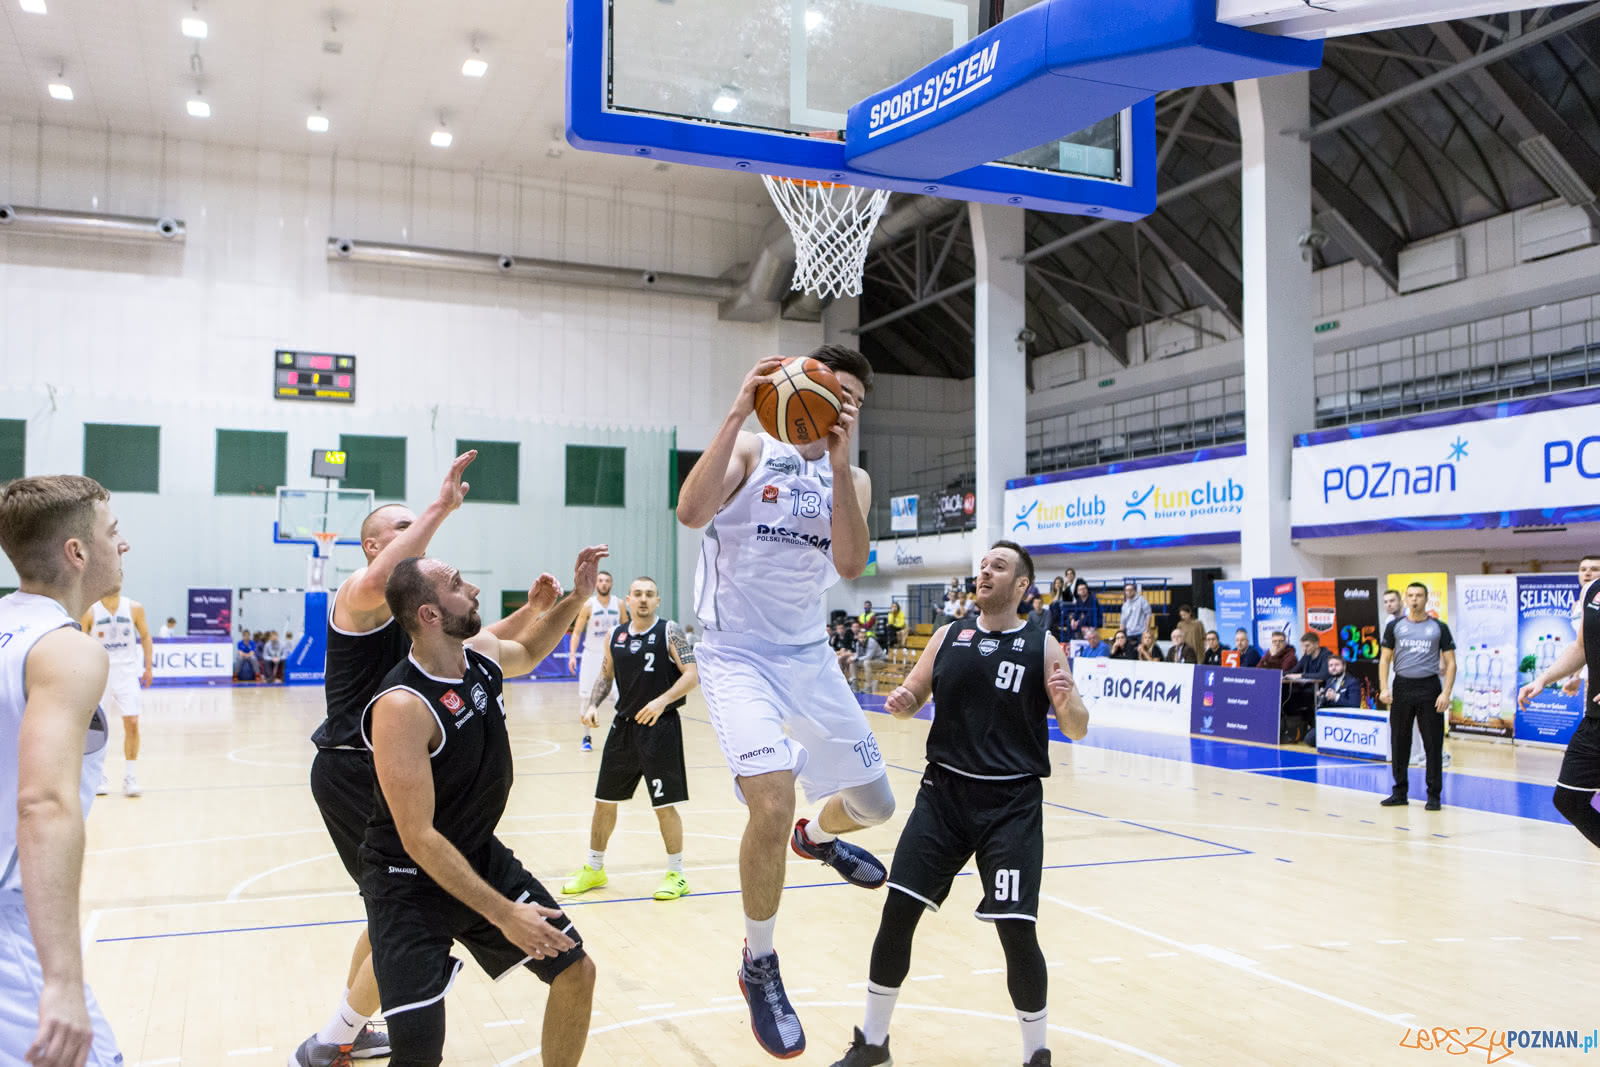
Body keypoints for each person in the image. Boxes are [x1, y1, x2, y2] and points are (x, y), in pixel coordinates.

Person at [677, 346, 895, 1059]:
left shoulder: (853, 478)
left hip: (808, 657)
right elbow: (690, 511)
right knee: (770, 798)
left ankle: (819, 837)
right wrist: (740, 406)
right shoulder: (749, 445)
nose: (843, 403)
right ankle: (760, 962)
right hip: (736, 655)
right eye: (835, 389)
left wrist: (837, 467)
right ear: (804, 387)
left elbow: (851, 564)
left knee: (877, 804)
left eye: (854, 398)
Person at [832, 541, 1089, 1067]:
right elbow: (911, 696)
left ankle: (1036, 1054)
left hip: (1011, 805)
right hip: (943, 796)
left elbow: (1076, 727)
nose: (985, 572)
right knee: (897, 912)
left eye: (998, 566)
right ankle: (873, 1044)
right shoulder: (950, 635)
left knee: (1016, 931)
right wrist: (903, 702)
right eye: (983, 565)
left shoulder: (1044, 645)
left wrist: (1068, 703)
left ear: (1021, 586)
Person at [363, 555, 600, 1067]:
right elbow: (418, 837)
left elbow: (532, 649)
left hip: (474, 854)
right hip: (408, 882)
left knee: (575, 971)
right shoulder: (402, 706)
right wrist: (505, 914)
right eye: (455, 584)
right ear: (428, 614)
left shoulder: (479, 655)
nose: (471, 588)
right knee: (419, 1055)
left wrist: (576, 598)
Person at [293, 449, 482, 1066]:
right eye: (401, 530)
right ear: (373, 546)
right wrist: (441, 506)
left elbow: (492, 645)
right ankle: (336, 1037)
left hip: (377, 769)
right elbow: (378, 581)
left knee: (387, 910)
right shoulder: (359, 593)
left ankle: (340, 1034)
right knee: (411, 903)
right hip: (351, 765)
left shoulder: (413, 614)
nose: (415, 536)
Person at [0, 476, 129, 1067]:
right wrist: (61, 979)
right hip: (11, 917)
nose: (122, 546)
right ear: (77, 552)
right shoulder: (66, 649)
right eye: (112, 532)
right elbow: (43, 804)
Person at [564, 577, 699, 902]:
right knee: (604, 801)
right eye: (637, 594)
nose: (642, 599)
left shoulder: (670, 632)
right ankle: (595, 868)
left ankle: (676, 874)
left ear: (657, 600)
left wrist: (662, 701)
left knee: (664, 805)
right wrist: (593, 705)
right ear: (628, 600)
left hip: (659, 727)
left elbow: (693, 674)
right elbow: (606, 675)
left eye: (649, 595)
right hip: (623, 727)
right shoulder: (616, 634)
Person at [1520, 562, 1600, 849]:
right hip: (1595, 721)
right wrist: (1544, 678)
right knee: (1568, 800)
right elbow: (1581, 647)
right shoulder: (1593, 590)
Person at [1378, 582, 1457, 811]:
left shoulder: (1438, 628)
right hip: (1402, 686)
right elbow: (1384, 659)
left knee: (1433, 743)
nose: (1415, 599)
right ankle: (1399, 792)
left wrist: (1446, 692)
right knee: (1400, 742)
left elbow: (1451, 663)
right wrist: (1384, 688)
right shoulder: (1395, 627)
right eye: (1411, 595)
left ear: (1426, 599)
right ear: (1406, 599)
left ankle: (1434, 796)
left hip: (1429, 687)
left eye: (1419, 595)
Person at [78, 585, 152, 797]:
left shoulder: (134, 607)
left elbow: (146, 635)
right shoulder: (90, 610)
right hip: (100, 673)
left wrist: (148, 667)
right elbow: (80, 642)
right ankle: (99, 776)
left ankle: (130, 777)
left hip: (127, 673)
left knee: (133, 722)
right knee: (98, 728)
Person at [567, 570, 628, 753]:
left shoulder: (620, 604)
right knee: (586, 698)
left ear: (611, 584)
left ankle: (622, 738)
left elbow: (627, 628)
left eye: (607, 581)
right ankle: (586, 737)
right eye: (600, 580)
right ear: (596, 584)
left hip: (613, 655)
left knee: (621, 697)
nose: (603, 583)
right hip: (591, 655)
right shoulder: (588, 605)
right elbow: (576, 631)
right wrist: (571, 655)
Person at [1560, 554, 1600, 698]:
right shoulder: (1577, 605)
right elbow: (1582, 645)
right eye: (1583, 569)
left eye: (1594, 569)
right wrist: (1577, 676)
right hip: (1588, 677)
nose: (1587, 573)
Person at [852, 623, 887, 692]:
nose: (863, 639)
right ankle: (854, 682)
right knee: (853, 662)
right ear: (858, 638)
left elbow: (869, 656)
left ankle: (868, 686)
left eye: (864, 637)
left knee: (866, 662)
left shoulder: (871, 642)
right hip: (870, 661)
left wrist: (857, 658)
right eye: (861, 637)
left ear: (866, 636)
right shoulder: (857, 643)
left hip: (882, 661)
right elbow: (858, 655)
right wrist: (854, 658)